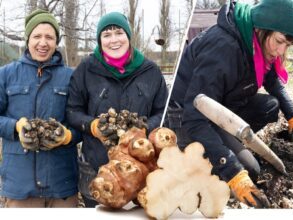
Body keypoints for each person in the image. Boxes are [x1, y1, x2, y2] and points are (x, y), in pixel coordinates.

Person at [169, 0, 293, 208]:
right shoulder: (223, 48)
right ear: (262, 28)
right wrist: (232, 169)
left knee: (270, 105)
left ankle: (225, 144)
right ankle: (195, 157)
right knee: (249, 170)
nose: (281, 51)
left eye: (287, 45)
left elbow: (271, 80)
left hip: (218, 107)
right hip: (185, 119)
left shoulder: (255, 43)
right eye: (279, 41)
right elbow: (194, 116)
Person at [66, 12, 168, 207]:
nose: (114, 40)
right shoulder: (86, 70)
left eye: (119, 32)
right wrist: (93, 126)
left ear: (128, 36)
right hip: (98, 171)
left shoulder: (150, 71)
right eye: (107, 34)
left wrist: (144, 130)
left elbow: (162, 111)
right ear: (100, 40)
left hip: (141, 171)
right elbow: (72, 111)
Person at [0, 9, 80, 207]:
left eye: (49, 37)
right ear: (27, 39)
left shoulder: (72, 77)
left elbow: (82, 121)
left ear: (56, 41)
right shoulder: (6, 74)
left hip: (62, 185)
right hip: (20, 185)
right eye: (37, 36)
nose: (43, 43)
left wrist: (68, 136)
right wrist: (15, 126)